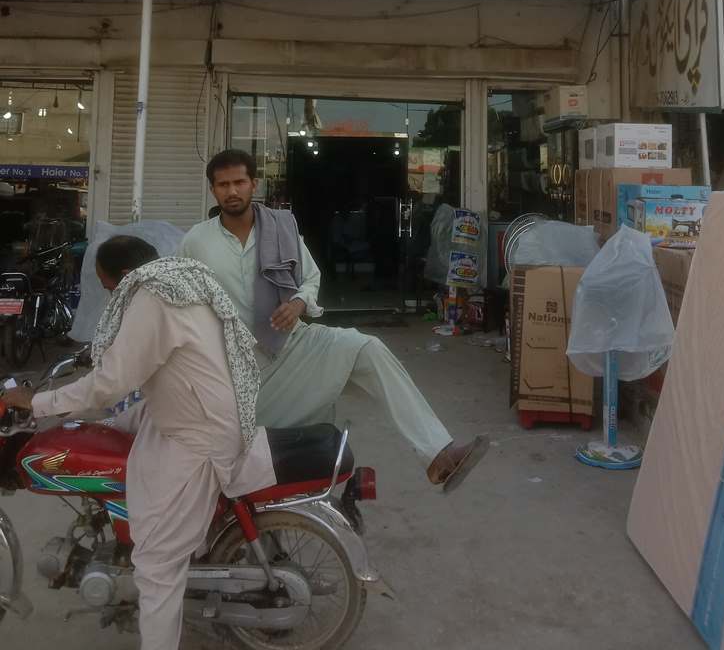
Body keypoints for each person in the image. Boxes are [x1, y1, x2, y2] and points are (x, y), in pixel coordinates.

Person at [2, 235, 274, 650]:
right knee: (106, 426)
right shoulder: (181, 278)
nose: (112, 296)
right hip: (193, 409)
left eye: (109, 287)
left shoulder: (152, 297)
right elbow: (133, 352)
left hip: (198, 433)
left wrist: (36, 402)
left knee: (156, 565)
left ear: (127, 276)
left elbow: (108, 385)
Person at [180, 149, 488, 492]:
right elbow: (180, 302)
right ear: (213, 190)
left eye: (239, 182)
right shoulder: (196, 242)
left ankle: (438, 455)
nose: (232, 191)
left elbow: (310, 278)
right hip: (240, 366)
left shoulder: (282, 228)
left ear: (254, 183)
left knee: (367, 347)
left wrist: (298, 302)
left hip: (292, 341)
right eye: (223, 185)